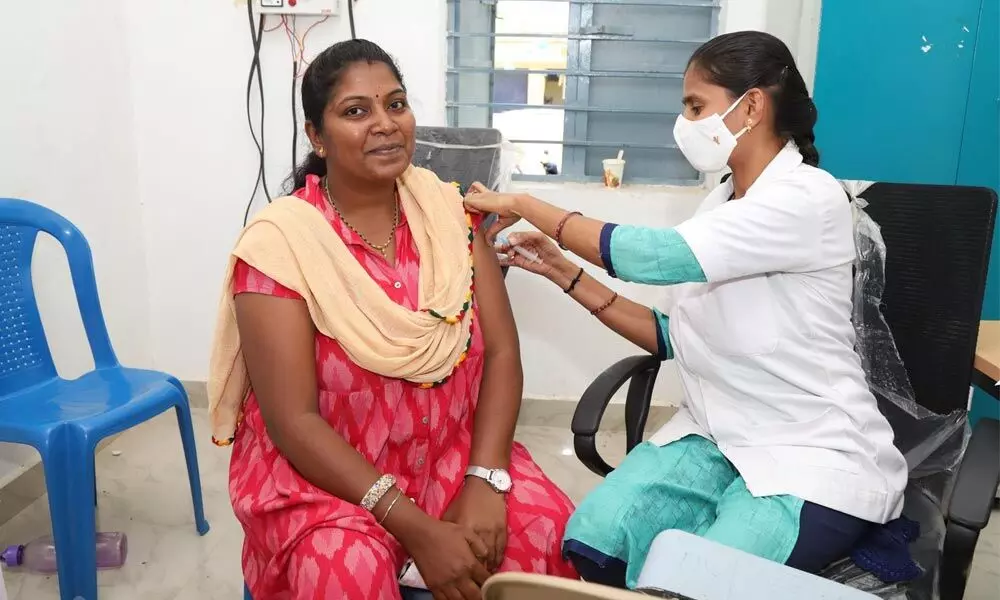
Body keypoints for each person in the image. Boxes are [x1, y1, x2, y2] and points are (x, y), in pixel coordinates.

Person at [463, 31, 908, 589]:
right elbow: (673, 336)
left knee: (700, 580)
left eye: (697, 107)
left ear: (752, 106)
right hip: (718, 434)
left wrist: (524, 201)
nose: (685, 123)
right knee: (595, 541)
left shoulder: (807, 198)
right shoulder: (720, 201)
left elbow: (651, 257)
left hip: (810, 453)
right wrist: (562, 270)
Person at [208, 39, 576, 600]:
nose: (384, 124)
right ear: (317, 136)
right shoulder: (282, 246)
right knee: (343, 572)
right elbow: (295, 422)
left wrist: (485, 477)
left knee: (545, 531)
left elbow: (501, 352)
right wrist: (415, 527)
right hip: (329, 485)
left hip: (453, 456)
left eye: (395, 104)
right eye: (356, 111)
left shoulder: (449, 215)